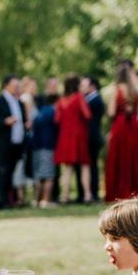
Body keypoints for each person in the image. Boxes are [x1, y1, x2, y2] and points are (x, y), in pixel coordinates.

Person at [104, 64, 138, 202]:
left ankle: (117, 191)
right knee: (133, 156)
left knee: (118, 156)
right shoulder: (136, 91)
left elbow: (111, 112)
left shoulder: (116, 91)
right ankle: (135, 190)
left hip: (120, 124)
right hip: (133, 124)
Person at [0, 74, 27, 209]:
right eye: (15, 86)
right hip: (3, 144)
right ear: (6, 85)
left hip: (17, 143)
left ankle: (10, 200)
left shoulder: (19, 102)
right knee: (3, 172)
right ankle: (2, 201)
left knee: (11, 172)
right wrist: (5, 121)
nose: (17, 88)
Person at [54, 74, 92, 204]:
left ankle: (65, 196)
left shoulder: (61, 100)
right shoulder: (79, 98)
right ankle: (87, 195)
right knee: (84, 167)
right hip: (78, 136)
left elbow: (57, 119)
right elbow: (87, 114)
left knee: (67, 169)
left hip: (64, 136)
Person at [30, 92, 59, 208]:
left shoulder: (39, 113)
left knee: (38, 176)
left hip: (36, 148)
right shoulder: (52, 112)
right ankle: (46, 201)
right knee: (48, 176)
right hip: (47, 147)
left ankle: (37, 200)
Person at [80, 77, 105, 202]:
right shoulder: (90, 100)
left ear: (92, 86)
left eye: (85, 85)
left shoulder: (95, 101)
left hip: (92, 138)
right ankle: (90, 192)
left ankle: (93, 193)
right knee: (90, 166)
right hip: (91, 137)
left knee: (92, 166)